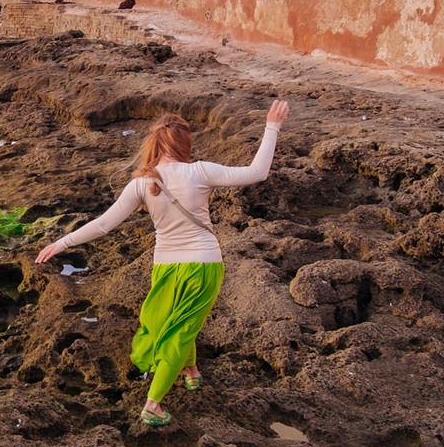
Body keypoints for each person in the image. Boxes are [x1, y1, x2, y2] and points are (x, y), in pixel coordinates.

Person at [35, 100, 290, 426]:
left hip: (165, 267)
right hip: (203, 265)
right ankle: (153, 404)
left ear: (155, 143)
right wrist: (272, 127)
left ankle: (189, 370)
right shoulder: (201, 171)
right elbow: (258, 173)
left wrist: (61, 243)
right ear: (184, 143)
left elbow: (102, 224)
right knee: (180, 329)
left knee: (174, 325)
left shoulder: (142, 183)